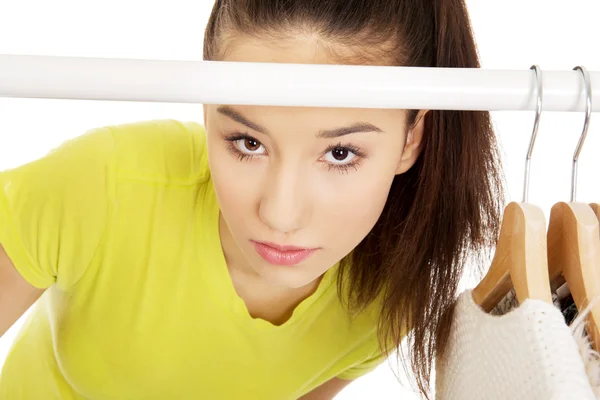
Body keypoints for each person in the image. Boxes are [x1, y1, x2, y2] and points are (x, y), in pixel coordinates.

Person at [0, 0, 504, 398]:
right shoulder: (103, 186)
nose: (280, 214)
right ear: (207, 112)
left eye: (341, 152)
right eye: (248, 143)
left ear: (411, 139)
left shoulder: (383, 299)